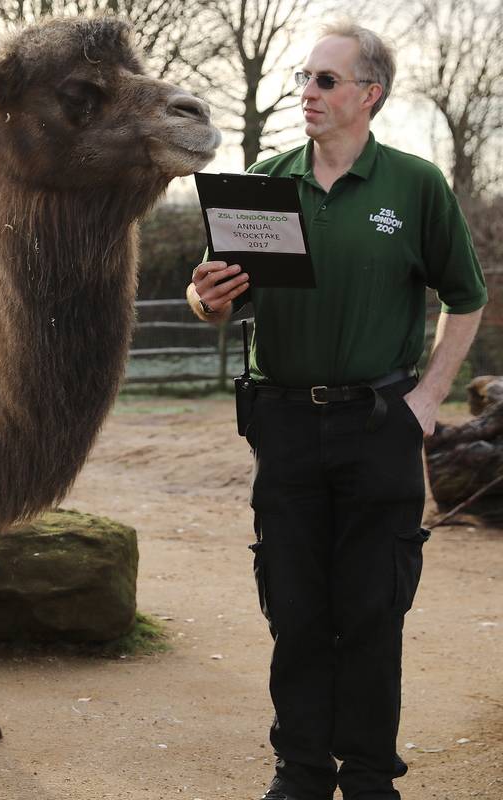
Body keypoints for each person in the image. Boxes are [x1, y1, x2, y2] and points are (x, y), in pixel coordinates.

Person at [186, 22, 488, 800]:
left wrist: (426, 400)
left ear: (369, 95)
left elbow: (467, 298)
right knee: (294, 606)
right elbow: (220, 302)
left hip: (378, 424)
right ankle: (301, 771)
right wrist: (202, 298)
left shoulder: (415, 186)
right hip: (282, 425)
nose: (308, 93)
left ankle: (367, 776)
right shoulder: (263, 182)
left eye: (326, 80)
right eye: (304, 78)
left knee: (372, 606)